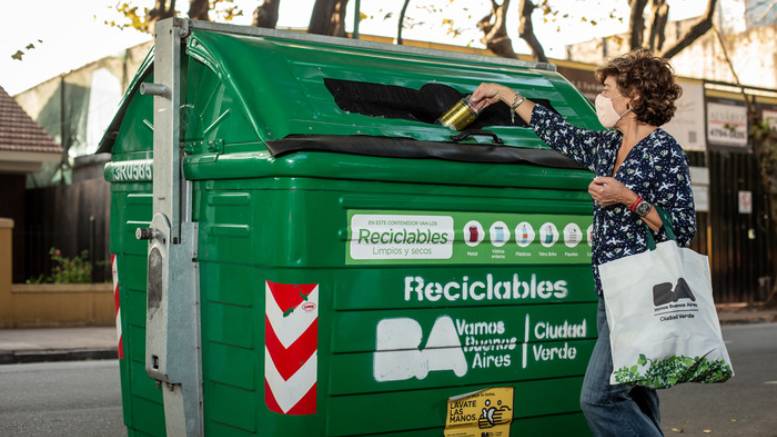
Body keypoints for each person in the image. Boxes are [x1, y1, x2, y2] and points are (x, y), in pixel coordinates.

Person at [469, 49, 696, 437]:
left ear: (635, 97)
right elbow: (556, 130)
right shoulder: (607, 147)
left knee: (600, 398)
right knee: (637, 392)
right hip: (609, 290)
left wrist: (629, 198)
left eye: (608, 90)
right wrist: (505, 93)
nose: (602, 98)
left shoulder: (665, 152)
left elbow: (683, 226)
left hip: (643, 292)